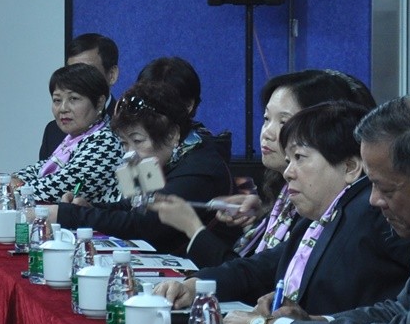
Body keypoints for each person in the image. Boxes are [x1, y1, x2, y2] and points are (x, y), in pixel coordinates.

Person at [153, 101, 410, 315]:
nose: (288, 173)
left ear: (350, 167)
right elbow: (259, 268)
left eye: (300, 158)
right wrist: (195, 285)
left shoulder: (376, 211)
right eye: (288, 161)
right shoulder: (317, 218)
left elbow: (401, 315)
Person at [249, 94, 410, 324]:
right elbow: (399, 311)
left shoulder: (372, 219)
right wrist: (311, 323)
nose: (374, 200)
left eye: (386, 189)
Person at [148, 69, 377, 267]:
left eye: (284, 122)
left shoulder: (330, 210)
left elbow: (256, 279)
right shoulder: (283, 196)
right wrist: (262, 212)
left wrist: (192, 227)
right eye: (267, 118)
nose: (267, 133)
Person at [52, 80, 232, 255]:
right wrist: (90, 207)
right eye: (124, 143)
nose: (130, 153)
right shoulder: (158, 159)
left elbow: (144, 226)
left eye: (137, 141)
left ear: (172, 135)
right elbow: (133, 204)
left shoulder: (200, 169)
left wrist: (71, 215)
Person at [11, 64, 124, 204]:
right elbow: (38, 169)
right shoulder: (73, 139)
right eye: (57, 100)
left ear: (100, 103)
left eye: (73, 99)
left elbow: (57, 188)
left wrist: (13, 188)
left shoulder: (106, 142)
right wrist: (13, 180)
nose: (63, 108)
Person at [38, 34, 119, 161]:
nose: (76, 79)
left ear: (112, 75)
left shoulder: (126, 126)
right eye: (72, 71)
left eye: (87, 72)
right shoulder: (53, 131)